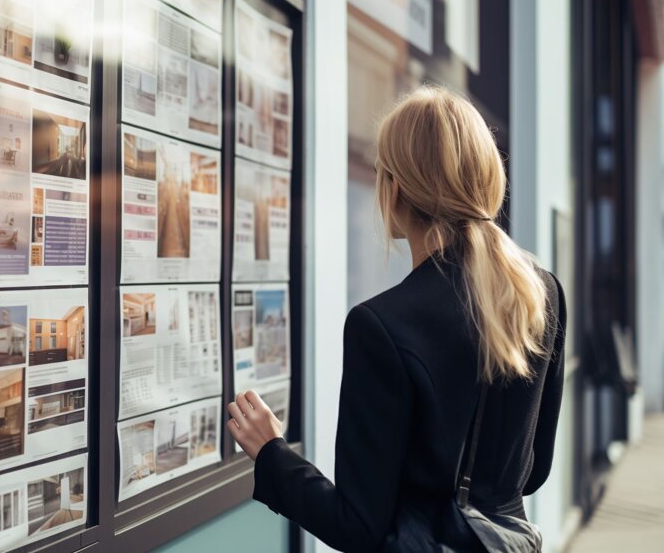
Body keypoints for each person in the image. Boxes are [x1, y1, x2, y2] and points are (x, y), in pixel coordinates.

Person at [227, 86, 566, 552]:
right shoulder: (542, 293)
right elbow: (534, 471)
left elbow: (358, 527)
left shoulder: (381, 325)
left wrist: (271, 454)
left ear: (396, 189)